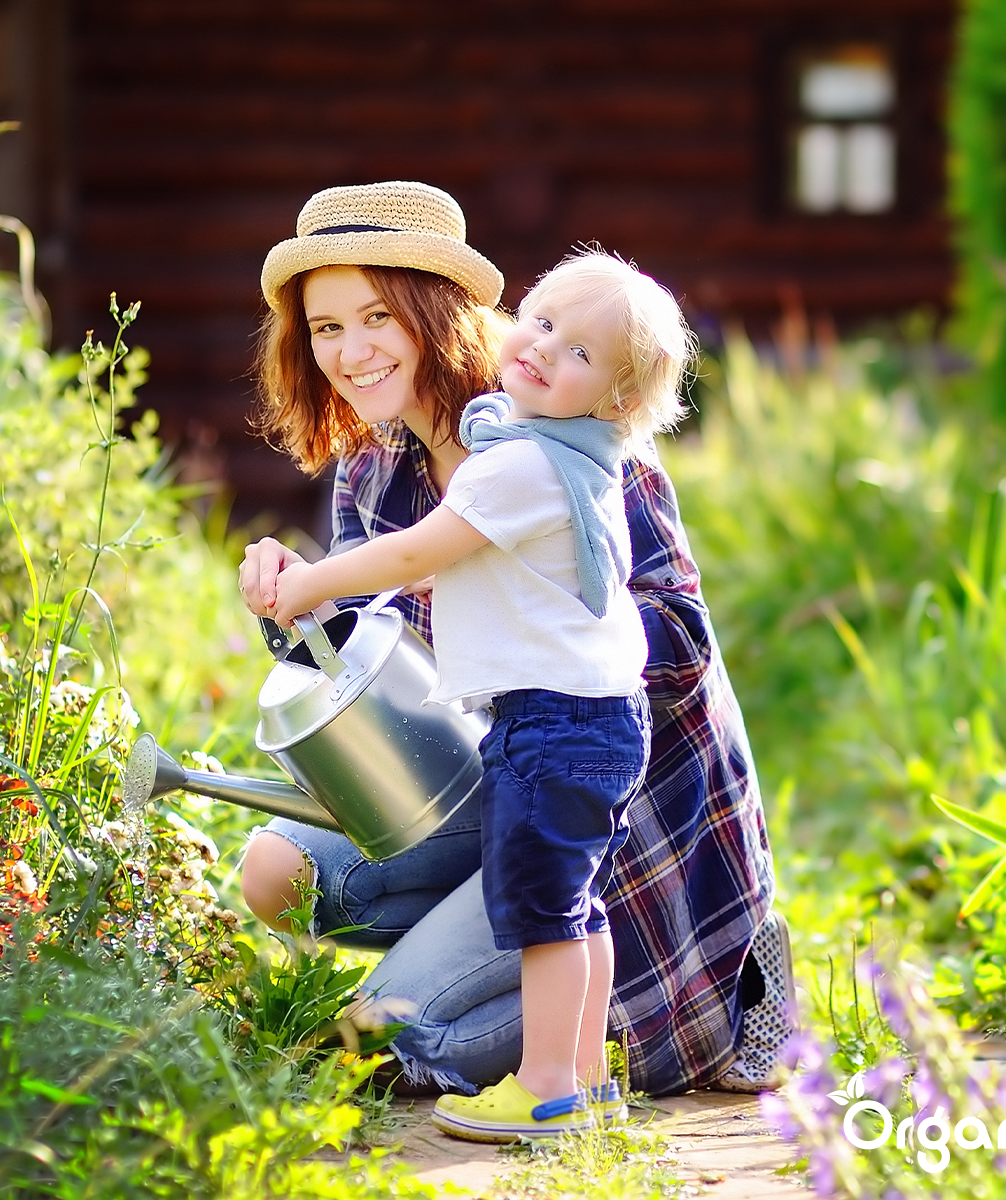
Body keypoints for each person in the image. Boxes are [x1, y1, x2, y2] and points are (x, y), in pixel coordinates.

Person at [237, 181, 788, 1106]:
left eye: (377, 317)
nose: (352, 352)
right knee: (276, 873)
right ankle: (463, 964)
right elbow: (367, 670)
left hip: (605, 806)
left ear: (436, 310)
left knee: (385, 1040)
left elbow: (682, 642)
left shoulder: (568, 421)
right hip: (487, 777)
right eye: (326, 328)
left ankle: (685, 995)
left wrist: (487, 581)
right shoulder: (375, 465)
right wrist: (291, 601)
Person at [266, 251, 691, 1140]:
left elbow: (417, 552)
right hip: (570, 728)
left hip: (566, 732)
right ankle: (579, 1079)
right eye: (541, 323)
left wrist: (314, 581)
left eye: (377, 317)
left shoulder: (525, 456)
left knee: (539, 917)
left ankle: (547, 1086)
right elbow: (394, 626)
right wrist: (302, 598)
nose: (542, 350)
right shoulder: (538, 443)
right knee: (567, 908)